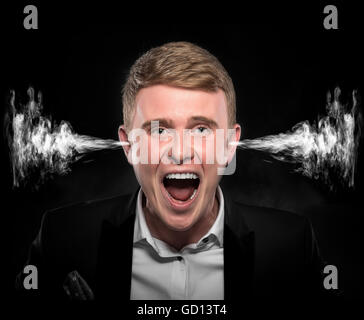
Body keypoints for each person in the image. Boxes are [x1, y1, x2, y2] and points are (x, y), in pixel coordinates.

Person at [16, 41, 326, 300]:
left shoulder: (291, 245)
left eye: (202, 130)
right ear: (129, 145)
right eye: (159, 130)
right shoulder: (63, 237)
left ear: (230, 145)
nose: (180, 151)